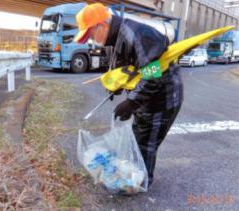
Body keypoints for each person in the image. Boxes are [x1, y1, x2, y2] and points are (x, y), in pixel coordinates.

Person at [74, 3, 183, 187]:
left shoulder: (137, 34)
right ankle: (134, 178)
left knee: (146, 143)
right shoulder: (114, 38)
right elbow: (129, 69)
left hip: (162, 98)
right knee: (138, 137)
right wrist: (118, 86)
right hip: (146, 98)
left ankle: (140, 185)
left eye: (91, 34)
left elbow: (153, 73)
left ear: (101, 25)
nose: (92, 40)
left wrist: (132, 102)